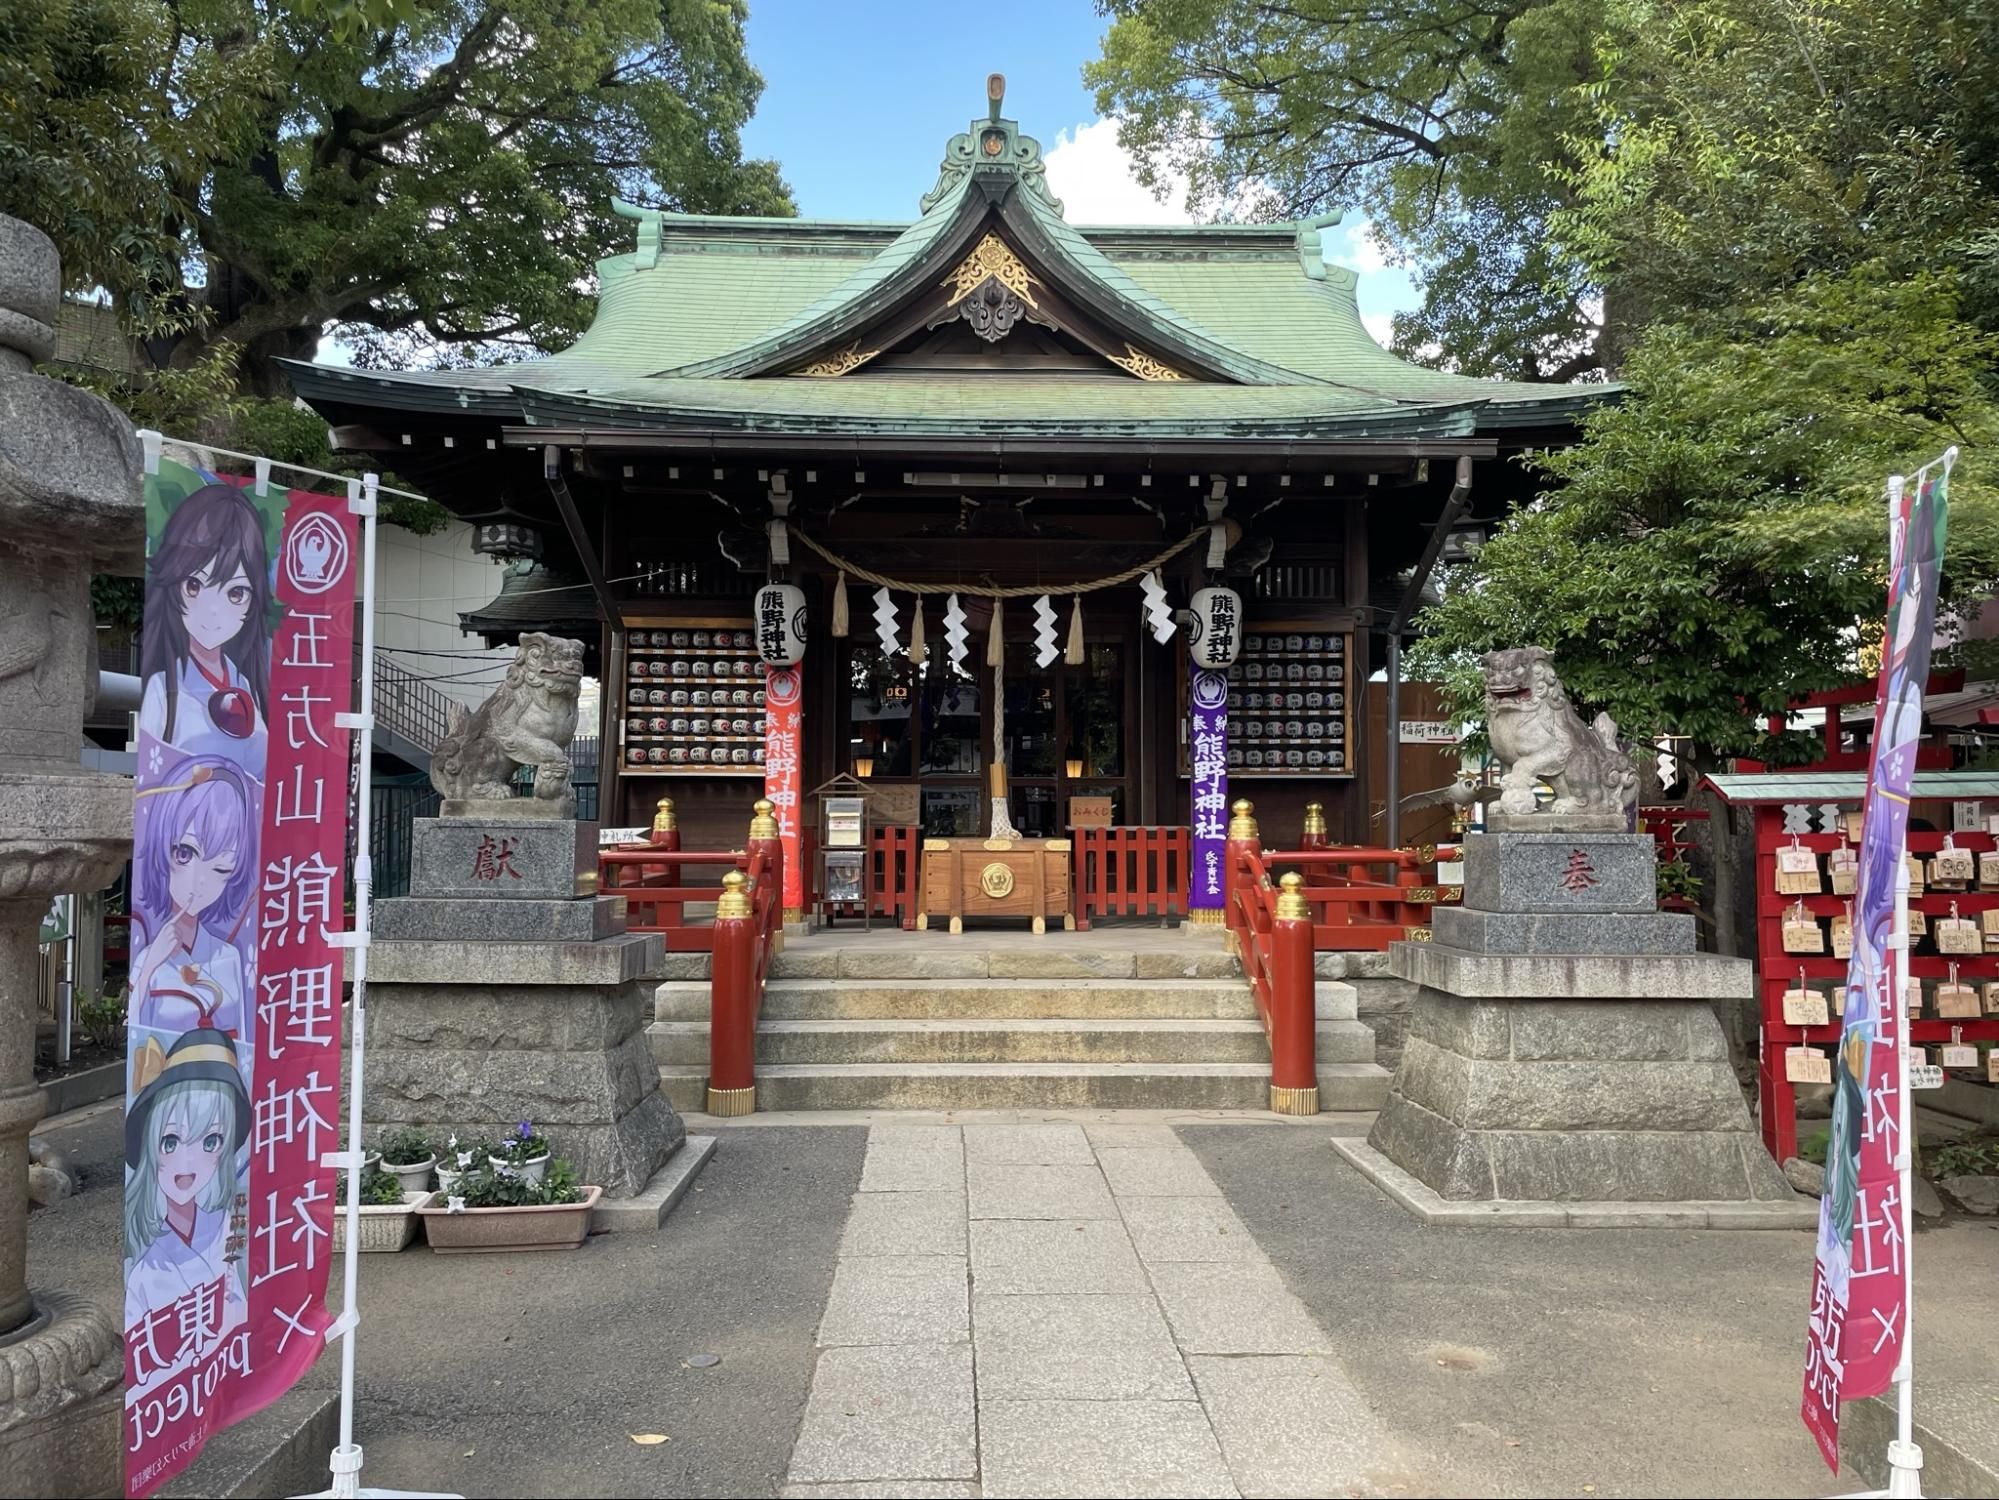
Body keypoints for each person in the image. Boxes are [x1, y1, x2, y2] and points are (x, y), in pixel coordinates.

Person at [123, 1029, 250, 1390]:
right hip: (164, 1389)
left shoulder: (225, 1223)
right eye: (171, 1140)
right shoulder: (144, 1263)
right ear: (150, 1144)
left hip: (218, 1375)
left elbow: (236, 1308)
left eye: (211, 1141)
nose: (188, 1164)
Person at [139, 483, 272, 761]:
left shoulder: (249, 688)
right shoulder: (163, 691)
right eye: (193, 585)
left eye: (236, 593)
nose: (212, 611)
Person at [129, 758, 257, 1042]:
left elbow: (245, 1047)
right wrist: (151, 965)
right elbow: (135, 1038)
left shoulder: (230, 957)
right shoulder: (146, 961)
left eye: (221, 868)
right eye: (185, 853)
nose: (200, 880)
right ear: (163, 850)